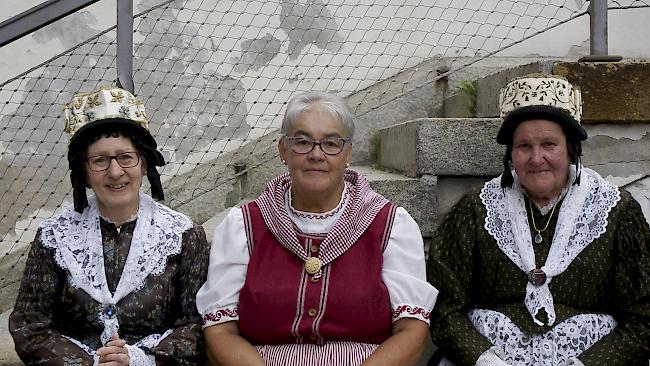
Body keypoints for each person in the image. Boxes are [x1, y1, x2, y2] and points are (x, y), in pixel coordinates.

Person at [196, 90, 438, 365]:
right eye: (302, 141)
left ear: (348, 152)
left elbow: (412, 330)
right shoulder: (245, 226)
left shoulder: (389, 225)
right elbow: (220, 330)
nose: (316, 154)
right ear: (283, 150)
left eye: (331, 143)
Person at [427, 74, 650, 366]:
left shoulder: (616, 211)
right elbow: (444, 308)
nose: (536, 158)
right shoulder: (476, 209)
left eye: (549, 144)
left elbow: (643, 318)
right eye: (524, 146)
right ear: (511, 155)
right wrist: (483, 359)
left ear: (571, 149)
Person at [9, 87, 210, 365]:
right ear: (85, 173)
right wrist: (88, 363)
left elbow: (198, 325)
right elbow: (30, 326)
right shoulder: (53, 238)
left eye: (126, 157)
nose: (115, 172)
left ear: (143, 164)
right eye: (100, 160)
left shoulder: (185, 237)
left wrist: (140, 359)